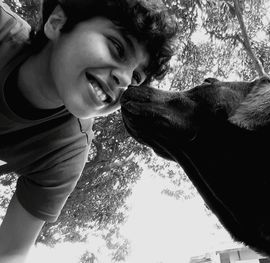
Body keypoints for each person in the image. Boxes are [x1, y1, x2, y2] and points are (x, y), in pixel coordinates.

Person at [0, 0, 177, 261]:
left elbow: (9, 253)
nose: (125, 81)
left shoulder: (67, 151)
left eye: (136, 78)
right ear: (57, 22)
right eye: (117, 47)